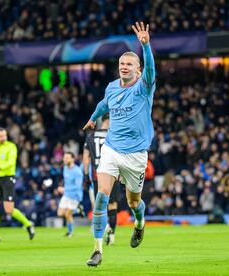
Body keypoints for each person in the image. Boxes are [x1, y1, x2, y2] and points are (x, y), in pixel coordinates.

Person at [83, 21, 156, 266]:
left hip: (135, 155)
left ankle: (139, 223)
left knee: (134, 202)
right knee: (101, 196)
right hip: (112, 150)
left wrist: (145, 47)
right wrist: (93, 118)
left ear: (138, 69)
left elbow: (151, 70)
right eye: (122, 64)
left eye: (129, 65)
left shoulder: (144, 87)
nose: (124, 67)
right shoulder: (112, 87)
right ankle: (97, 250)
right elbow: (104, 105)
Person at [83, 113, 119, 245]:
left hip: (97, 175)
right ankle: (112, 234)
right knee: (113, 205)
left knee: (100, 205)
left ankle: (105, 229)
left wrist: (86, 176)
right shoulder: (114, 136)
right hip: (113, 175)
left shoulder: (90, 136)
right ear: (108, 121)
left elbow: (85, 158)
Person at [57, 152, 83, 237]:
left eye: (67, 158)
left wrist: (64, 189)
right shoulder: (65, 168)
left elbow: (78, 186)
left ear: (73, 159)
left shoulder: (77, 171)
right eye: (64, 158)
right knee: (60, 213)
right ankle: (77, 210)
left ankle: (70, 232)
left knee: (67, 214)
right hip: (66, 194)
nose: (65, 159)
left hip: (75, 195)